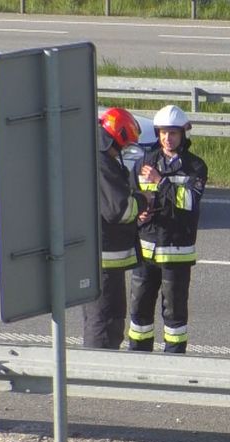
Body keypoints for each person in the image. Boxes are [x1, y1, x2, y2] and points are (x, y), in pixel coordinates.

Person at [127, 104, 208, 354]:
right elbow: (130, 197)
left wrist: (160, 182)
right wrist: (138, 212)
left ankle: (173, 362)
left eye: (172, 133)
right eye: (162, 132)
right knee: (139, 311)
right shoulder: (144, 163)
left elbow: (189, 202)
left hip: (176, 252)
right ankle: (138, 359)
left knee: (174, 315)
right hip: (145, 251)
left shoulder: (195, 167)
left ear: (183, 134)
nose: (167, 138)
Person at [82, 107, 147, 349]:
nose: (122, 152)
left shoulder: (98, 159)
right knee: (104, 323)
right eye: (123, 146)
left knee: (107, 320)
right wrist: (142, 201)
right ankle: (98, 374)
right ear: (114, 138)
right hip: (104, 265)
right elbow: (119, 210)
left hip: (105, 263)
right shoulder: (102, 165)